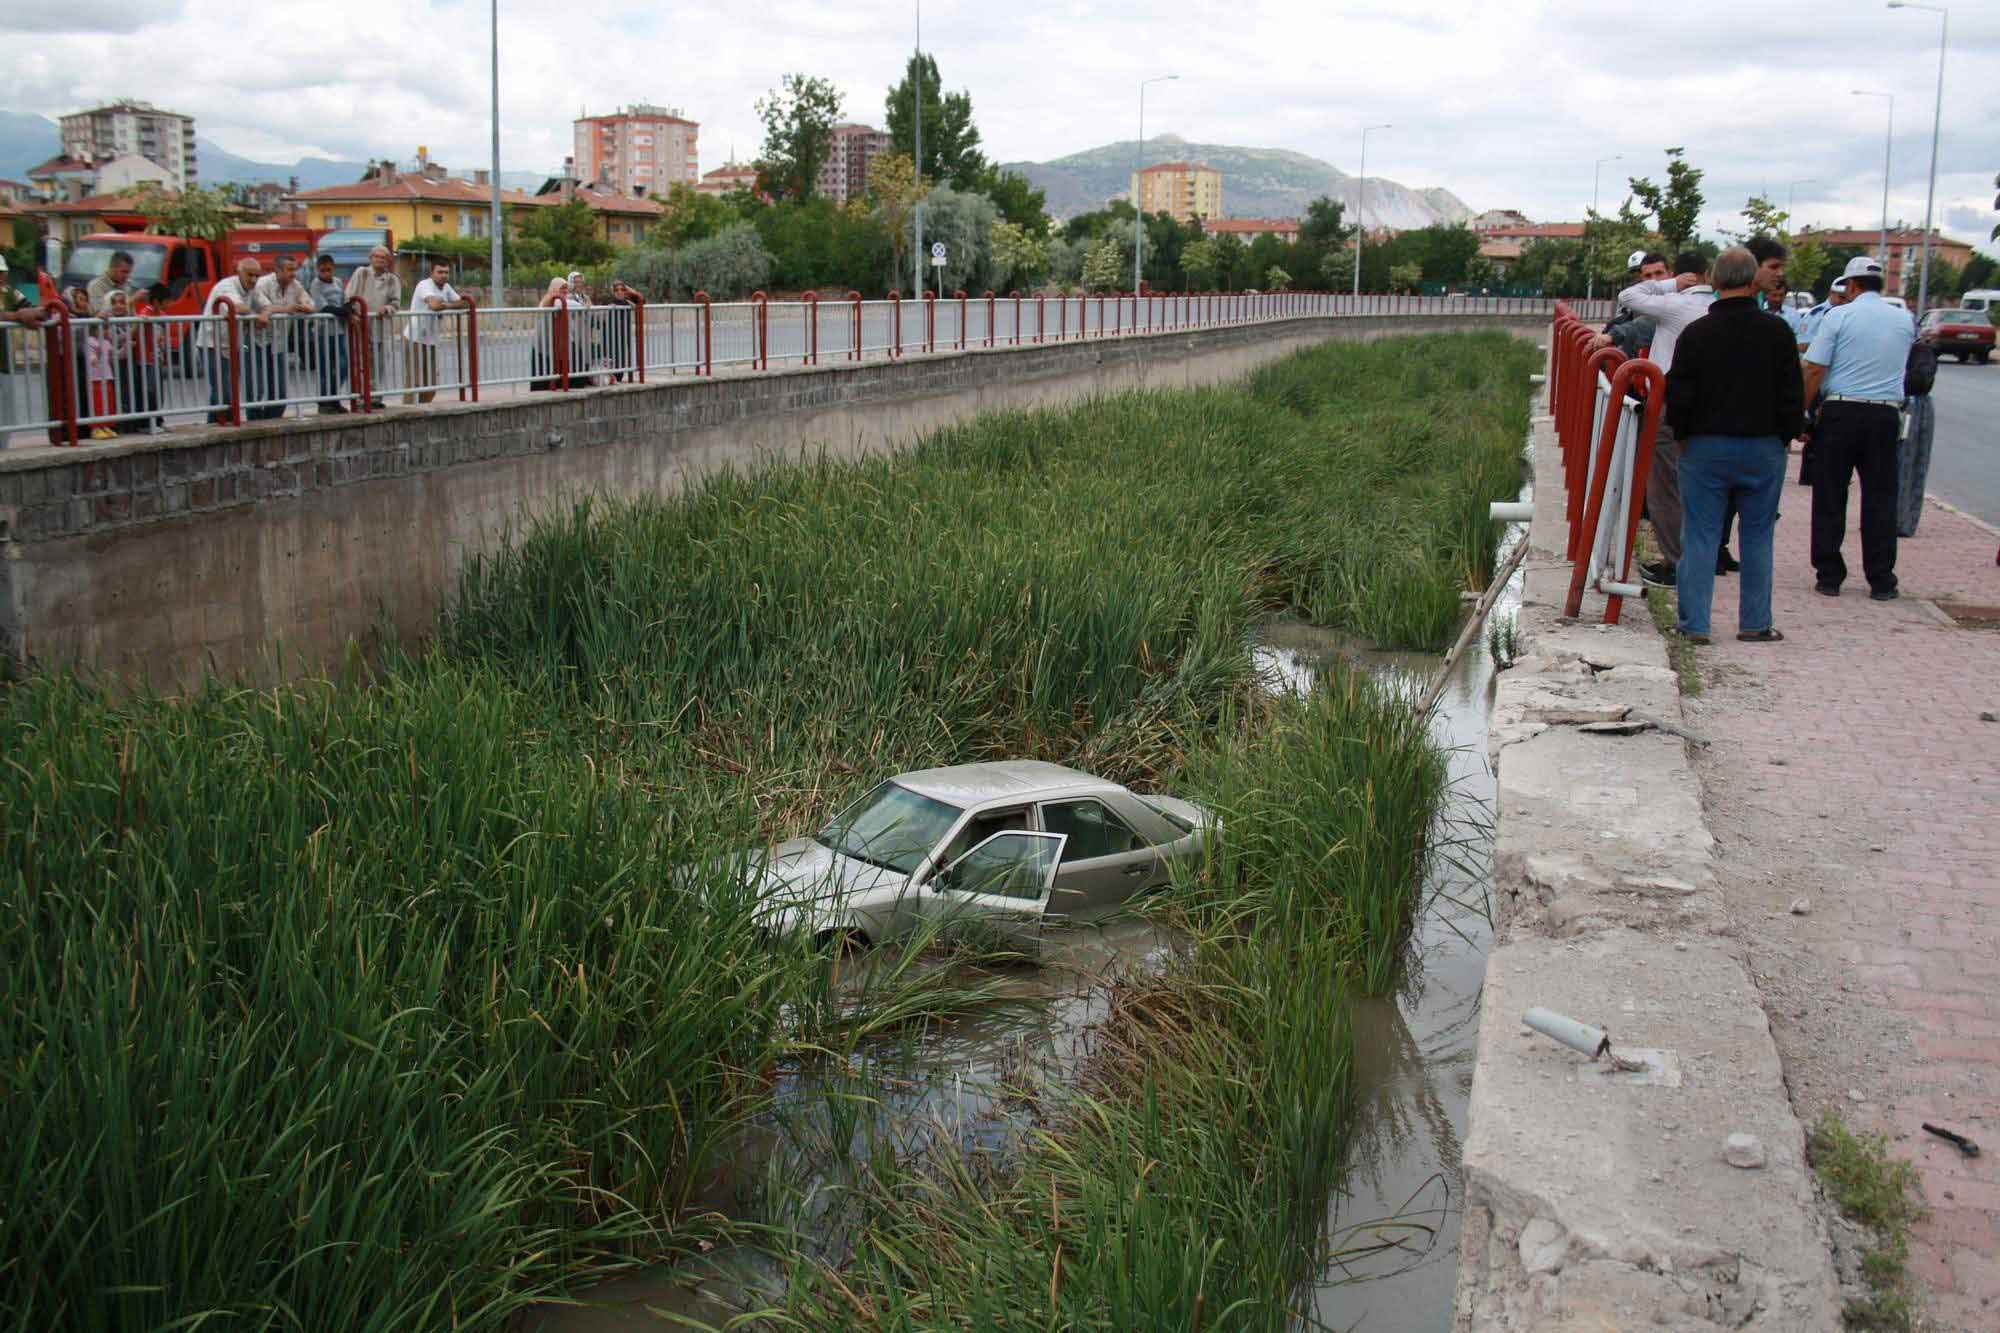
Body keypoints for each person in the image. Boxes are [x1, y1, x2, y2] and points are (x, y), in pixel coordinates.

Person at [1663, 246, 1803, 645]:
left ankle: (1695, 626)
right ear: (1752, 279)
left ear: (1714, 280)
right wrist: (1785, 435)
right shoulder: (1777, 332)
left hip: (1706, 448)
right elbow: (1792, 393)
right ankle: (1755, 623)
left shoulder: (1696, 334)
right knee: (1758, 535)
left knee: (1701, 535)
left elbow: (1680, 395)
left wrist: (1684, 436)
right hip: (1763, 448)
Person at [1802, 254, 1916, 600]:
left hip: (1840, 413)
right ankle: (1881, 579)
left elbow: (1815, 368)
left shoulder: (1838, 317)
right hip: (1885, 415)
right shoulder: (1904, 320)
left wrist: (1803, 412)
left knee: (1831, 493)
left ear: (1851, 285)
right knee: (1881, 496)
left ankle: (1829, 575)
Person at [1615, 251, 1715, 586]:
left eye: (1662, 275)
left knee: (1663, 483)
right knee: (1697, 483)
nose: (1654, 282)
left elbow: (1628, 296)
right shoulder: (1714, 306)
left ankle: (1676, 563)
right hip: (1707, 406)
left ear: (1680, 274)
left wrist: (1670, 286)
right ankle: (1702, 558)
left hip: (1670, 401)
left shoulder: (1676, 304)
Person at [197, 258, 264, 424]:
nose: (254, 280)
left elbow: (267, 305)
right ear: (239, 273)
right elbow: (236, 308)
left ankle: (218, 423)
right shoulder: (227, 286)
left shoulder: (252, 288)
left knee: (227, 390)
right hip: (212, 343)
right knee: (222, 390)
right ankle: (216, 423)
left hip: (232, 344)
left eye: (257, 276)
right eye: (250, 275)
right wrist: (254, 313)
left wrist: (264, 313)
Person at [248, 256, 314, 421]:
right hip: (256, 340)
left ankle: (270, 422)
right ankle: (255, 424)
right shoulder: (262, 284)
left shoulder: (296, 285)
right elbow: (266, 307)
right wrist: (287, 309)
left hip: (279, 342)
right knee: (257, 389)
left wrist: (305, 307)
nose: (294, 273)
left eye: (295, 269)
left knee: (280, 391)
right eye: (290, 269)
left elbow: (310, 303)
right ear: (277, 270)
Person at [343, 245, 401, 407]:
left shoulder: (392, 279)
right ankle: (361, 397)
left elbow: (396, 302)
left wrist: (387, 308)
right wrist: (353, 313)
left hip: (381, 327)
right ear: (370, 258)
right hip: (361, 325)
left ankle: (375, 397)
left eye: (383, 257)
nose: (380, 260)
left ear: (388, 260)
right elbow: (349, 296)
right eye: (376, 256)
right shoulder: (361, 273)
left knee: (378, 363)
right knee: (361, 362)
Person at [403, 260, 467, 404]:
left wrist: (445, 304)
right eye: (440, 272)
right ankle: (409, 410)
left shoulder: (446, 287)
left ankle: (424, 409)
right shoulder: (424, 285)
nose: (443, 275)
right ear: (432, 273)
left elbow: (463, 302)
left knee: (431, 383)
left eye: (446, 272)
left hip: (431, 340)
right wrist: (449, 305)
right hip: (415, 337)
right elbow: (433, 305)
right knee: (414, 380)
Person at [1590, 251, 1669, 356]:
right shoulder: (1636, 296)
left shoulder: (1676, 301)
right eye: (1647, 276)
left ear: (1670, 274)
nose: (1654, 280)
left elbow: (1648, 323)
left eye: (1659, 273)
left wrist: (1614, 335)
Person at [305, 253, 352, 414]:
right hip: (323, 332)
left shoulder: (338, 282)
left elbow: (344, 300)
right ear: (318, 269)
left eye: (329, 270)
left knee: (342, 366)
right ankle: (325, 402)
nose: (326, 273)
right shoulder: (315, 284)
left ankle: (333, 397)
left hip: (338, 330)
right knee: (326, 368)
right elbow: (323, 307)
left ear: (333, 269)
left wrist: (347, 309)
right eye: (323, 270)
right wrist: (344, 312)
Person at [87, 250, 134, 315]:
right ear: (112, 268)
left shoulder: (128, 285)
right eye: (124, 272)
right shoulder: (95, 286)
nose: (127, 276)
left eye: (129, 272)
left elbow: (131, 315)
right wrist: (131, 301)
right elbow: (100, 314)